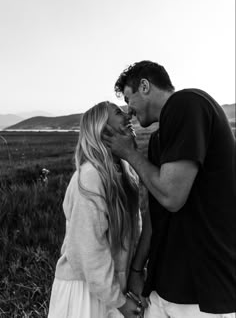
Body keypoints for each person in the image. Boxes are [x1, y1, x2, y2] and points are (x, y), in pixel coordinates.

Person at [103, 60, 236, 318]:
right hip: (164, 288)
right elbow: (158, 211)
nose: (128, 112)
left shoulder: (188, 103)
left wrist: (129, 153)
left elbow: (171, 196)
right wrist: (137, 270)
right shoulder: (158, 139)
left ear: (145, 86)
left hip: (204, 294)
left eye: (128, 99)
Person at [48, 101, 145, 318]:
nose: (128, 116)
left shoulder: (125, 174)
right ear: (103, 129)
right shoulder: (90, 176)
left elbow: (131, 237)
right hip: (84, 292)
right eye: (119, 113)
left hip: (107, 288)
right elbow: (88, 249)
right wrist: (118, 301)